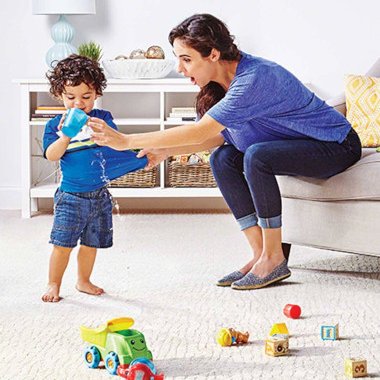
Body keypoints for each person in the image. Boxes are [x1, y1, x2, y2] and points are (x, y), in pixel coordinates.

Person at [89, 14, 362, 290]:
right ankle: (260, 255)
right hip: (297, 146)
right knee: (224, 158)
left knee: (257, 156)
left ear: (213, 54)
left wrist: (125, 140)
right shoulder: (223, 86)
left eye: (186, 59)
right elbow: (217, 138)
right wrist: (164, 151)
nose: (180, 69)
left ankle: (274, 257)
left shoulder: (255, 78)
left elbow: (200, 131)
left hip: (336, 145)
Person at [42, 55, 147, 302]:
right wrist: (67, 135)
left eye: (86, 97)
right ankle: (53, 284)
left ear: (97, 93)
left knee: (91, 244)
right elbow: (51, 155)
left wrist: (139, 154)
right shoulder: (55, 126)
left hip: (99, 195)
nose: (79, 103)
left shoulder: (102, 117)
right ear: (59, 95)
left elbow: (117, 146)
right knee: (63, 243)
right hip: (71, 197)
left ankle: (83, 280)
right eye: (71, 98)